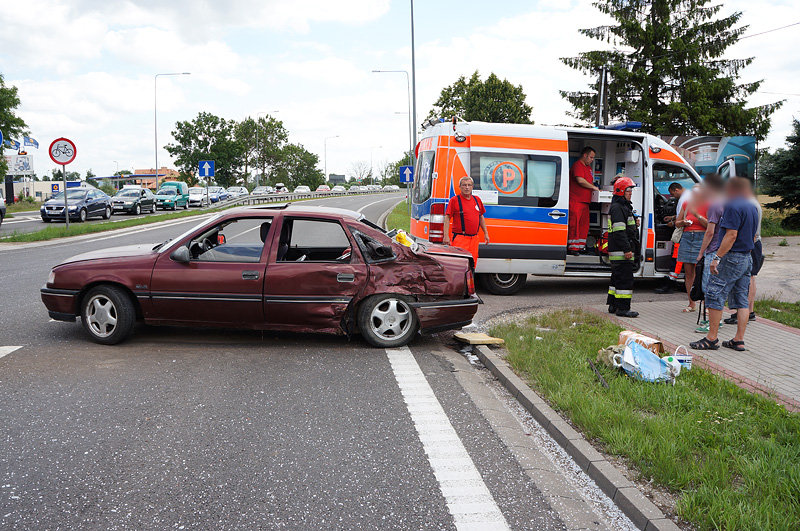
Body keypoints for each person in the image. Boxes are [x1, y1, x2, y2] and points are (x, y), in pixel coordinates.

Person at [690, 177, 759, 352]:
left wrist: (717, 258)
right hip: (746, 257)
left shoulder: (732, 207)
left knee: (714, 294)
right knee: (742, 299)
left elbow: (731, 235)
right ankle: (738, 340)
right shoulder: (752, 206)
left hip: (731, 257)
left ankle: (711, 338)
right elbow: (754, 236)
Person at [724, 186, 763, 325]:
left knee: (749, 277)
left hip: (750, 243)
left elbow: (752, 230)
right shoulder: (752, 203)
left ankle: (747, 311)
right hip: (752, 243)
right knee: (749, 277)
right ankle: (747, 311)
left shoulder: (749, 204)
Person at [694, 173, 726, 333]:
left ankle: (711, 322)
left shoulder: (714, 206)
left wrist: (701, 253)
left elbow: (710, 232)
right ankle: (716, 319)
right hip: (723, 250)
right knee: (718, 287)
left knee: (709, 287)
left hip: (713, 250)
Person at [606, 176, 639, 318]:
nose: (630, 192)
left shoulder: (621, 207)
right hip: (621, 251)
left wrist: (634, 224)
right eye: (628, 190)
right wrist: (627, 250)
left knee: (616, 279)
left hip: (618, 250)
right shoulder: (618, 208)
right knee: (625, 280)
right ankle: (623, 308)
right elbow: (619, 231)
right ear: (620, 191)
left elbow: (626, 228)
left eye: (631, 190)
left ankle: (613, 305)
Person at [675, 184, 708, 311]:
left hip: (701, 238)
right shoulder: (687, 204)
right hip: (687, 237)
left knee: (702, 272)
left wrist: (697, 215)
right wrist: (683, 222)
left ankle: (706, 304)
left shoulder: (708, 205)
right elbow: (677, 223)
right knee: (688, 273)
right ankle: (691, 303)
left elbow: (710, 225)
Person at [443, 176, 489, 264]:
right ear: (460, 187)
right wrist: (446, 236)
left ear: (472, 187)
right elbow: (447, 218)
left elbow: (481, 217)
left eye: (469, 185)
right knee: (459, 264)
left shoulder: (477, 200)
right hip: (460, 238)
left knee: (472, 263)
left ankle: (470, 278)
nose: (467, 187)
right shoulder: (454, 200)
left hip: (474, 239)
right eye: (464, 185)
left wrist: (486, 233)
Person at [568, 146, 600, 255]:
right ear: (585, 155)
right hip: (576, 200)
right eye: (591, 157)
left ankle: (580, 247)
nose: (592, 160)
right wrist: (593, 187)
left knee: (583, 226)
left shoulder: (588, 168)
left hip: (585, 202)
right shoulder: (578, 165)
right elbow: (580, 180)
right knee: (574, 225)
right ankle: (572, 248)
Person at [654, 182, 685, 294]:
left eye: (672, 193)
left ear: (676, 190)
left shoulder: (683, 200)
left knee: (676, 259)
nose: (672, 196)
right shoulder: (686, 198)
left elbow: (684, 217)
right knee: (677, 259)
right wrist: (673, 217)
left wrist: (673, 222)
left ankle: (671, 282)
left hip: (681, 232)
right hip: (683, 233)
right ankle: (674, 280)